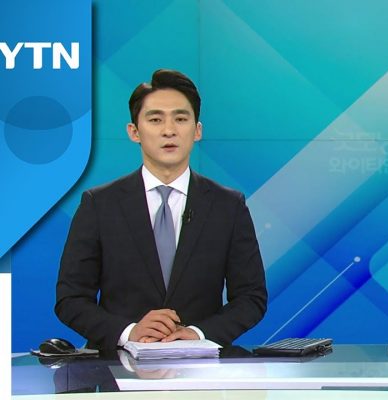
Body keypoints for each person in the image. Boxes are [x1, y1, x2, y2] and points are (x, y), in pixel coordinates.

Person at [55, 69, 267, 350]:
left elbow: (251, 297)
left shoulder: (228, 206)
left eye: (181, 118)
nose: (169, 130)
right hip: (115, 365)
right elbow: (70, 299)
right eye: (155, 119)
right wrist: (129, 332)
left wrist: (199, 333)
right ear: (134, 132)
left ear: (197, 130)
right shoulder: (99, 204)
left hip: (200, 368)